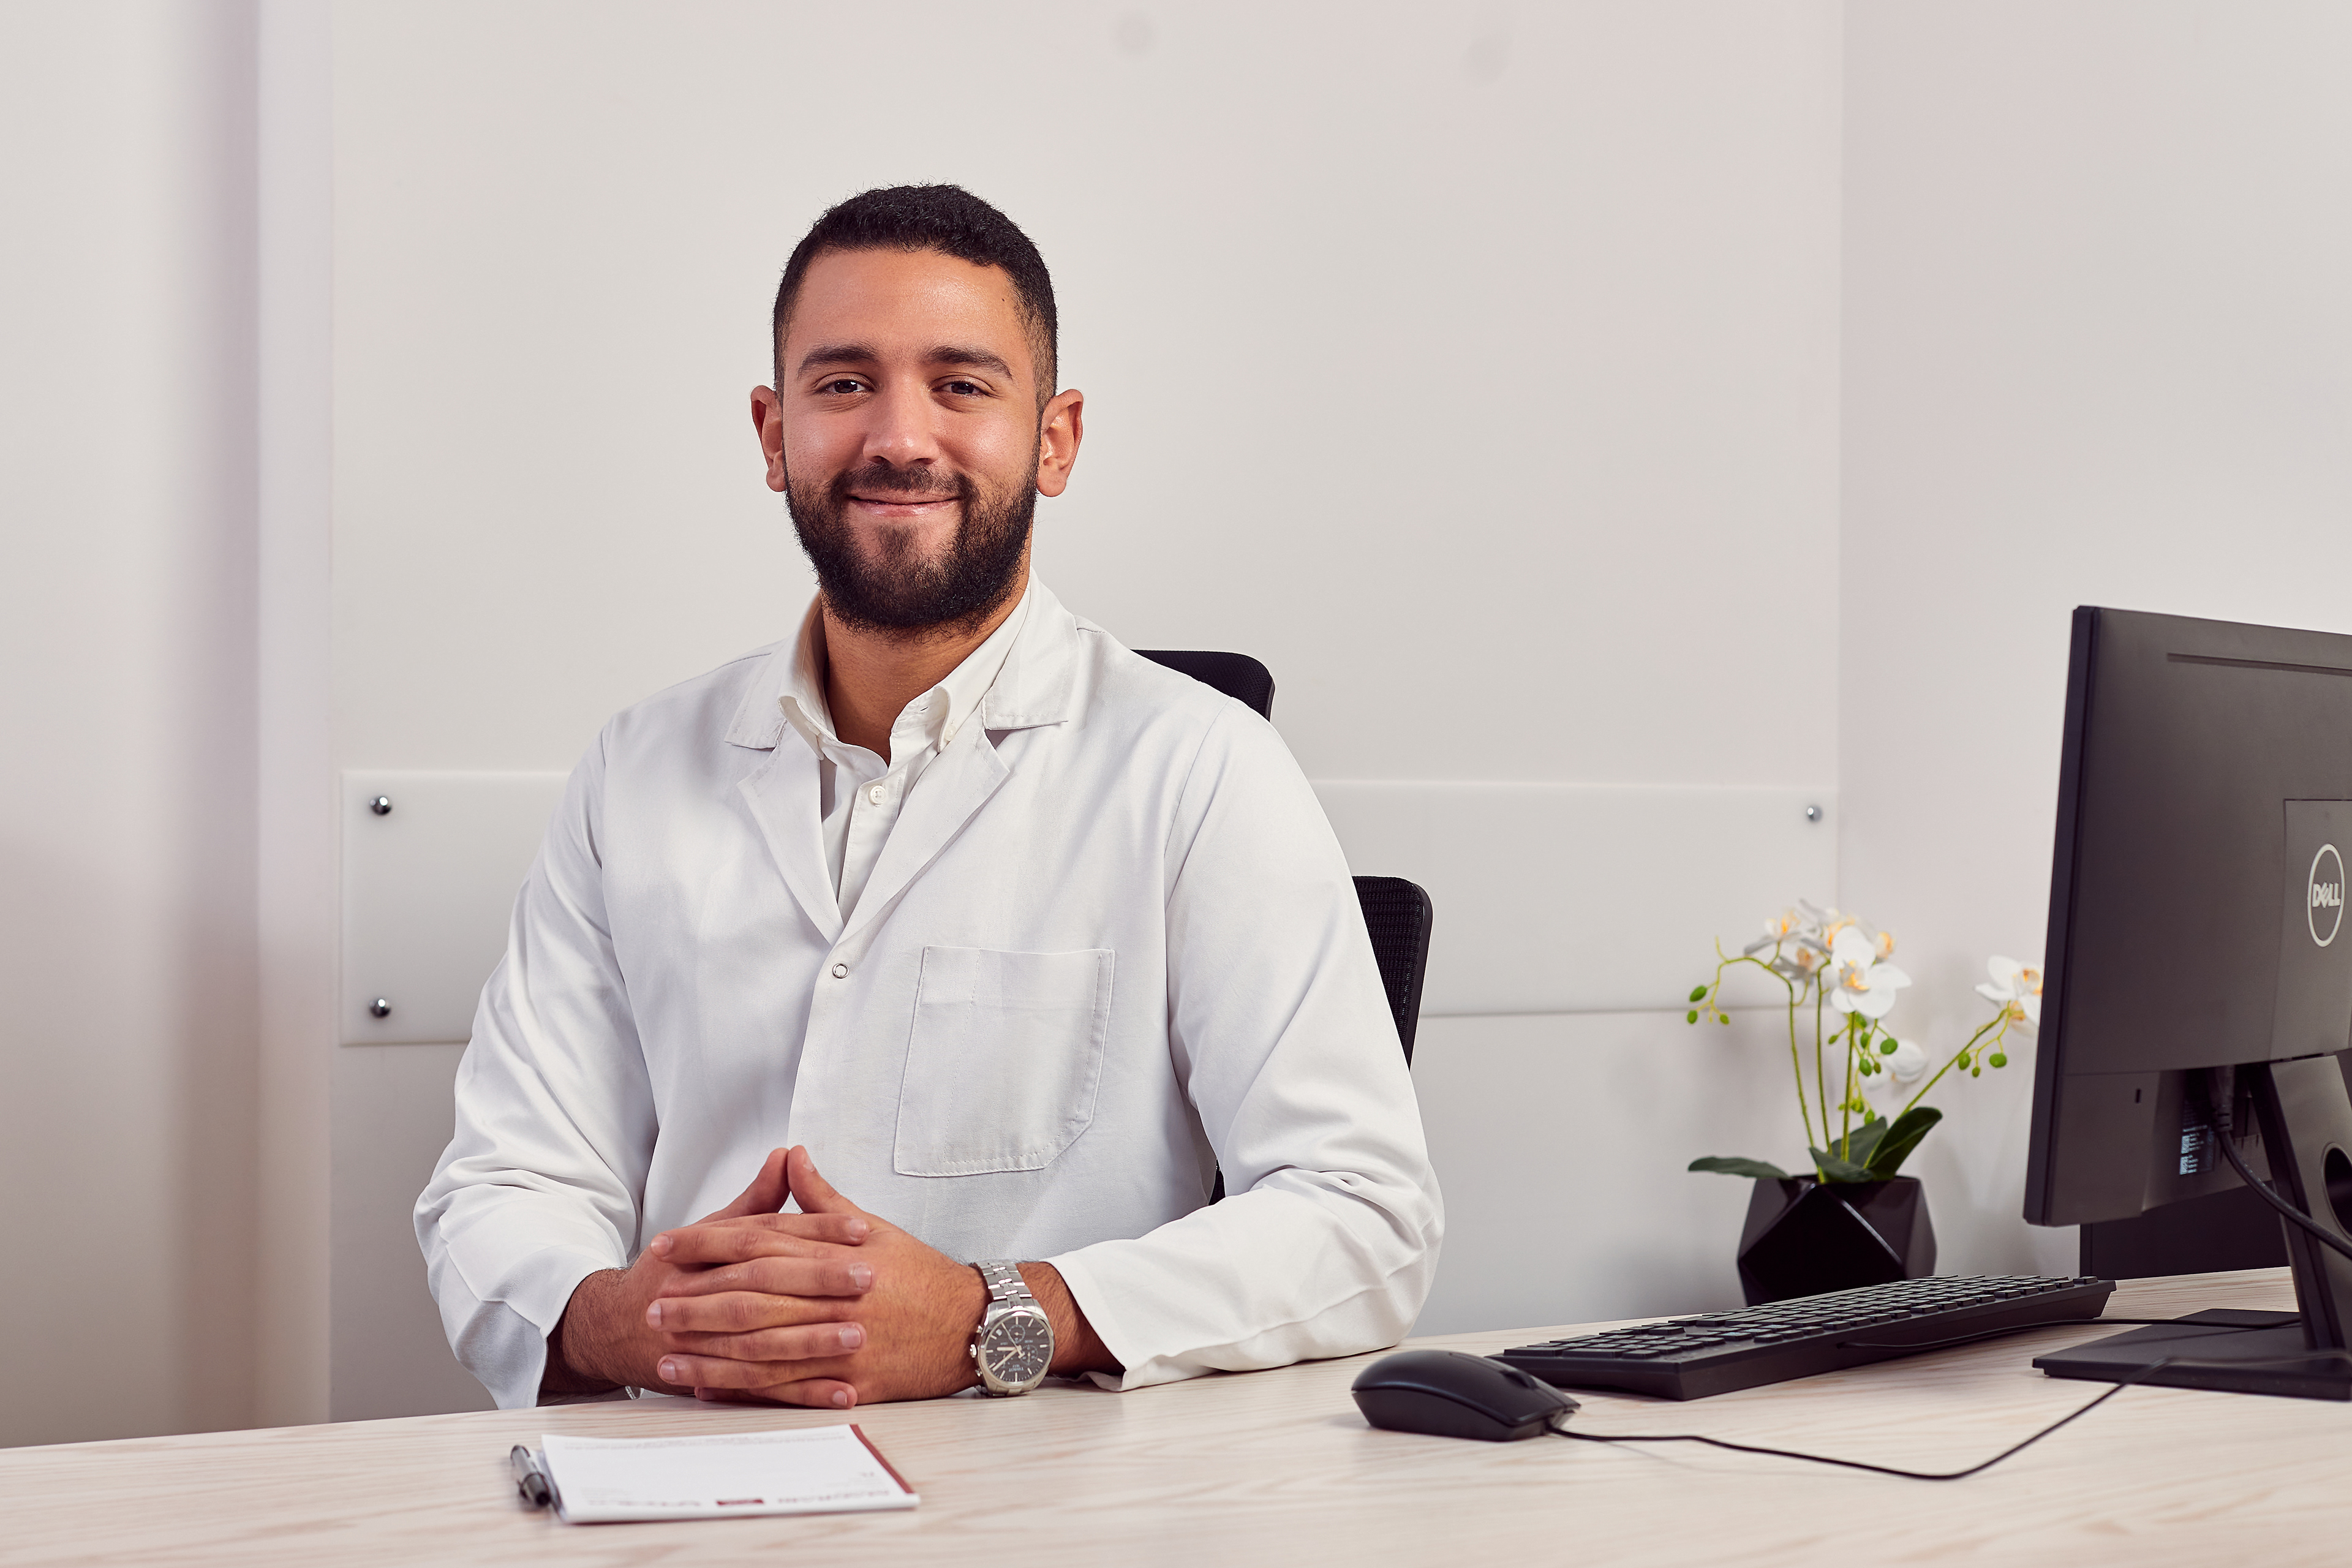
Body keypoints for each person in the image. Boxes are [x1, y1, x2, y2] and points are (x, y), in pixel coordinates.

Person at [416, 184, 1441, 1412]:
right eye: (845, 383)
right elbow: (503, 1181)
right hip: (680, 1468)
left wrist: (987, 1316)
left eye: (961, 384)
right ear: (773, 432)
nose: (900, 437)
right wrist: (622, 1323)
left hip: (1042, 1476)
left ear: (1055, 439)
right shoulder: (636, 767)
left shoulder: (1200, 766)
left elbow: (1364, 1214)